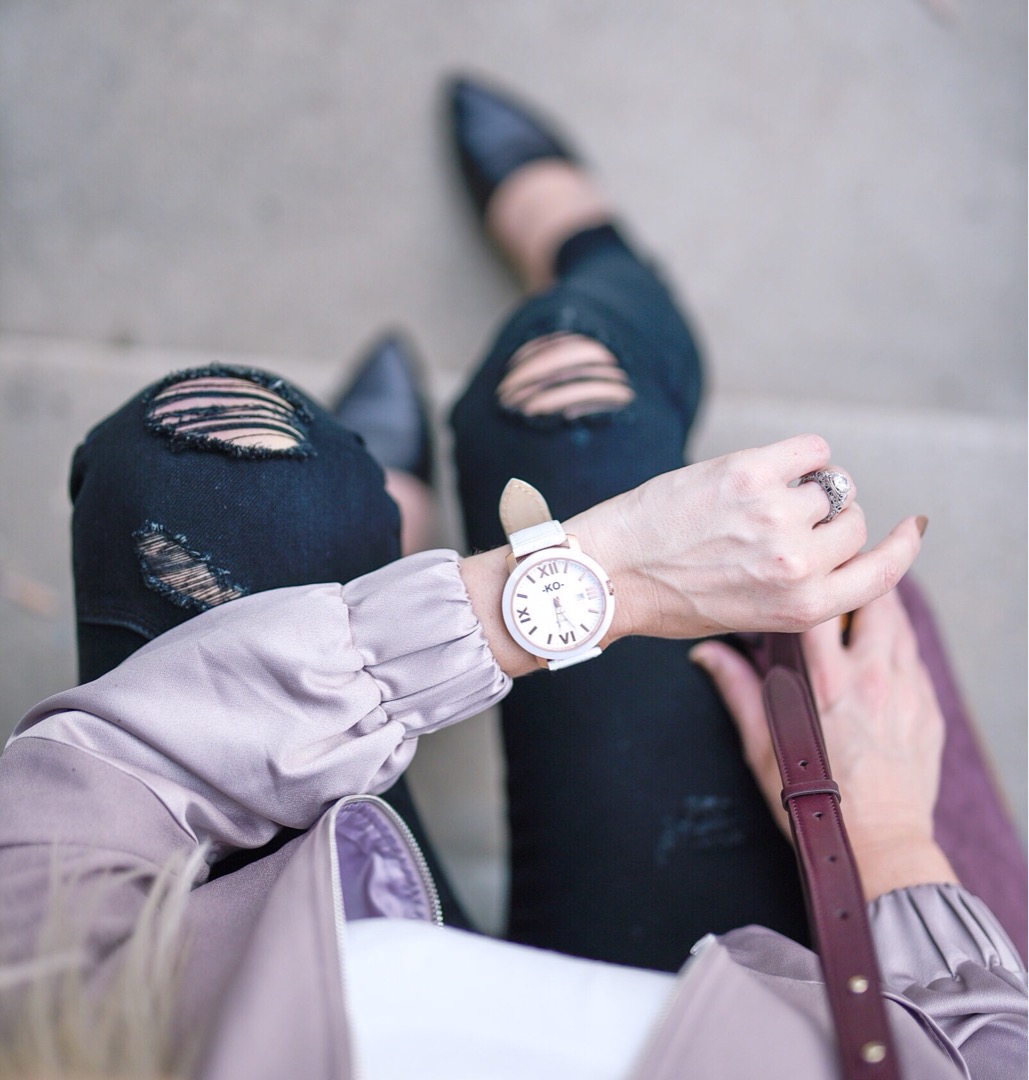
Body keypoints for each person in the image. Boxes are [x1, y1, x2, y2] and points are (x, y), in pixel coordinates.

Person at [0, 76, 1023, 1080]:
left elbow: (63, 825)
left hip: (259, 964)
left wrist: (600, 575)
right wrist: (887, 839)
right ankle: (588, 246)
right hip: (713, 1004)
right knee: (571, 391)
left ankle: (374, 538)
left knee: (205, 455)